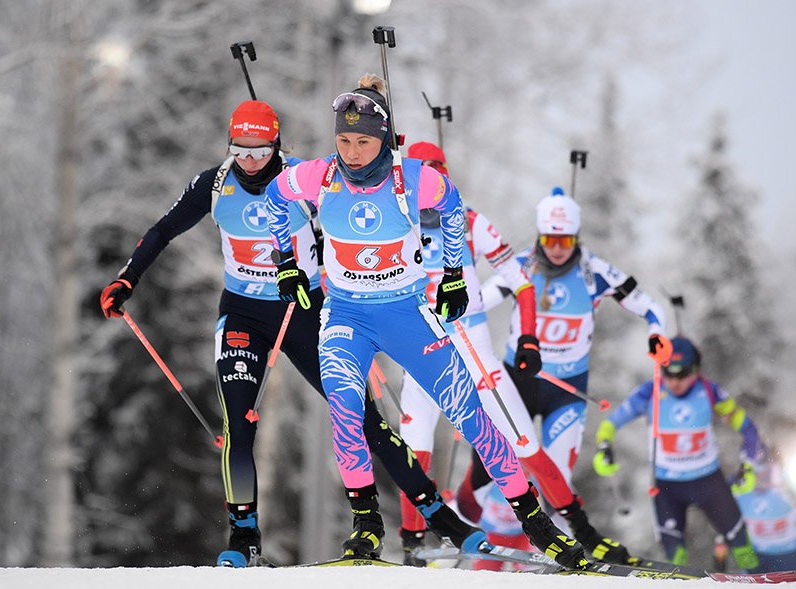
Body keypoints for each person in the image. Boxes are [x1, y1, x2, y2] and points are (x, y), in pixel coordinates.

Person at [99, 100, 477, 567]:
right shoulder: (213, 184)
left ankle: (437, 516)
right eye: (240, 150)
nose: (250, 161)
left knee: (363, 419)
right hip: (242, 313)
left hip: (304, 310)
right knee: (237, 422)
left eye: (260, 152)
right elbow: (161, 231)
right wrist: (126, 279)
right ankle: (243, 537)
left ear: (277, 146)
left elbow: (364, 197)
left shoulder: (305, 179)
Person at [263, 74, 588, 569]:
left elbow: (452, 205)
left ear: (383, 138)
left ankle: (537, 524)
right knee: (347, 411)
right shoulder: (318, 176)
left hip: (405, 312)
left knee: (472, 416)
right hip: (347, 315)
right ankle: (368, 525)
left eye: (363, 141)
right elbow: (273, 199)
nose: (351, 151)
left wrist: (455, 273)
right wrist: (285, 260)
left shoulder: (411, 177)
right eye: (344, 140)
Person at [395, 142, 631, 566]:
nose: (426, 191)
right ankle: (412, 541)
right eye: (418, 179)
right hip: (424, 350)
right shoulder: (395, 221)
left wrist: (528, 340)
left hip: (476, 354)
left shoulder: (467, 222)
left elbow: (520, 281)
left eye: (435, 178)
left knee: (526, 446)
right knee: (415, 447)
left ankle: (584, 535)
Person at [455, 186, 670, 516]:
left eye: (566, 241)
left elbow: (649, 306)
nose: (557, 249)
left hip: (567, 390)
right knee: (491, 465)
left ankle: (552, 545)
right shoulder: (521, 266)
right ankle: (461, 526)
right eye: (551, 240)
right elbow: (477, 301)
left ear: (576, 238)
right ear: (540, 236)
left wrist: (657, 333)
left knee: (556, 476)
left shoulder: (595, 272)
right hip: (518, 383)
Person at [592, 336, 763, 571]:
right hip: (668, 487)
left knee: (743, 547)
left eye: (682, 374)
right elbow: (610, 425)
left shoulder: (711, 392)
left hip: (708, 480)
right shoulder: (648, 392)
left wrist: (749, 466)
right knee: (674, 558)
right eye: (668, 373)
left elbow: (749, 430)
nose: (674, 381)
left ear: (696, 370)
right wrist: (604, 449)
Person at [729, 454, 796, 571]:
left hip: (789, 552)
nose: (762, 477)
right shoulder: (739, 490)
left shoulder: (785, 485)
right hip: (758, 554)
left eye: (767, 472)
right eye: (758, 473)